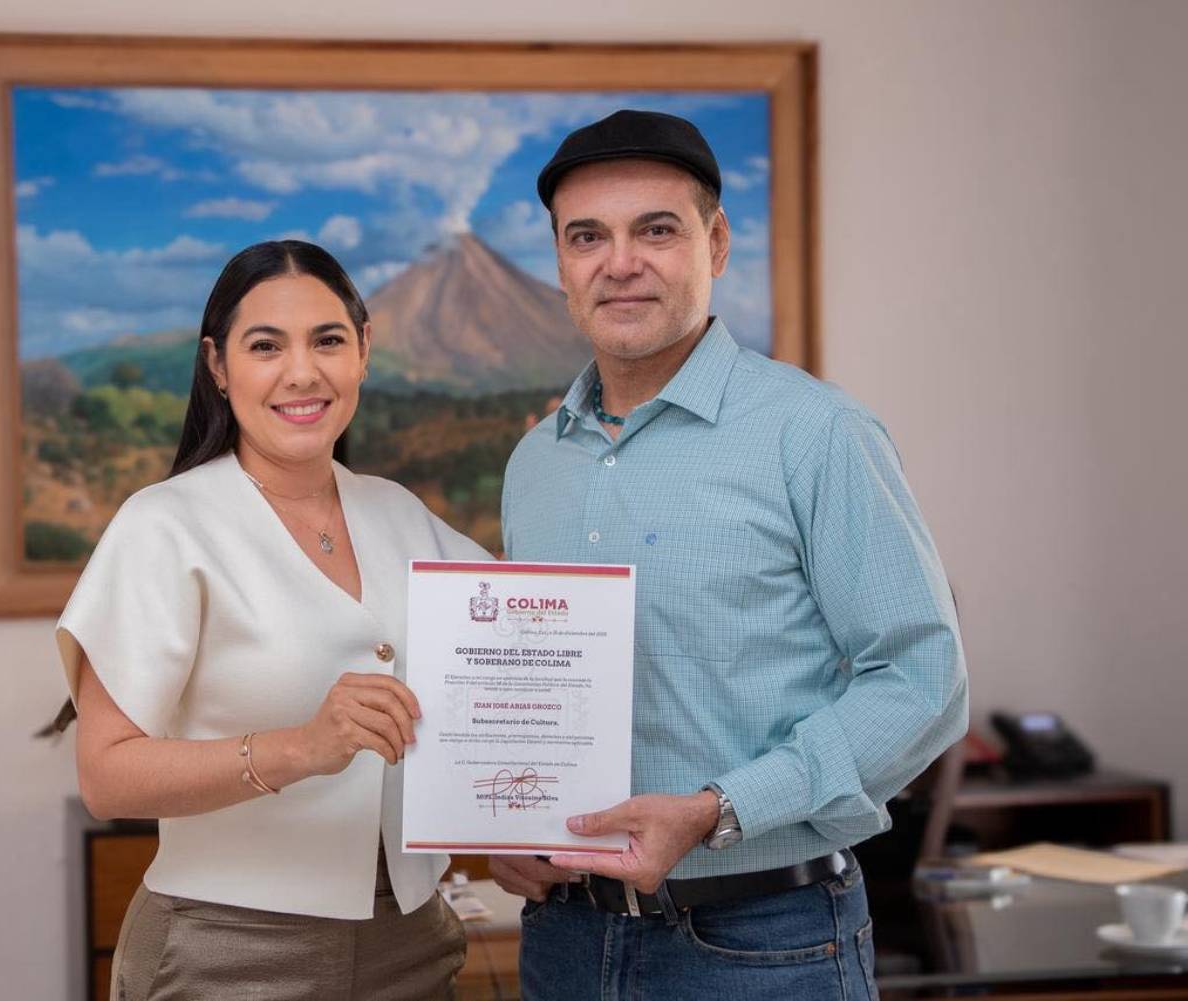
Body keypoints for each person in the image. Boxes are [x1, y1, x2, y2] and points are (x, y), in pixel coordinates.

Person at [490, 109, 969, 1000]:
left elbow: (923, 679)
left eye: (655, 230)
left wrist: (720, 809)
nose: (619, 262)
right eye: (587, 236)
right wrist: (510, 826)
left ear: (714, 243)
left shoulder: (816, 433)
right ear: (559, 263)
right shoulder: (535, 464)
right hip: (565, 939)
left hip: (765, 942)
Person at [55, 240, 489, 1000]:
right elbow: (107, 777)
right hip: (225, 951)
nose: (302, 372)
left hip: (412, 944)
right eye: (265, 346)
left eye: (328, 340)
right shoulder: (164, 526)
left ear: (363, 352)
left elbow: (523, 659)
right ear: (218, 366)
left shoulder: (405, 516)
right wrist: (302, 748)